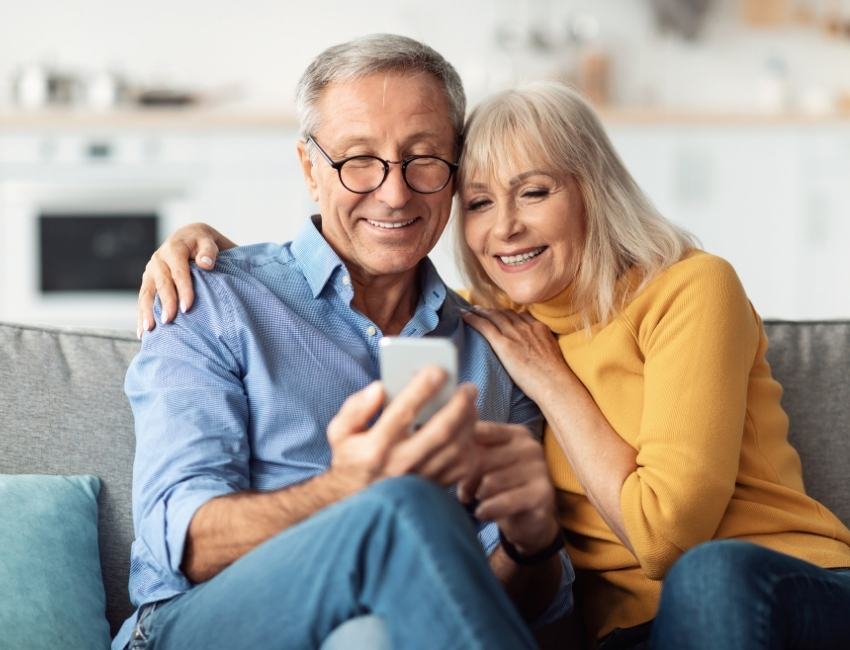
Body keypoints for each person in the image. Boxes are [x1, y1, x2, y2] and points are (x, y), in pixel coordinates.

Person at [144, 80, 850, 650]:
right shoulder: (493, 316)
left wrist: (551, 391)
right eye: (480, 202)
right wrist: (213, 257)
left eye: (535, 192)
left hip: (775, 585)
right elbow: (350, 259)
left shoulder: (664, 294)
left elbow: (662, 543)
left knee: (710, 575)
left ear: (593, 190)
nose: (505, 226)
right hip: (636, 633)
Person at [117, 35, 576, 650]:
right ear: (311, 169)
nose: (394, 192)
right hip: (198, 627)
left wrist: (531, 542)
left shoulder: (493, 349)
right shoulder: (213, 299)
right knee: (404, 507)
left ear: (455, 172)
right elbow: (186, 543)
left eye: (423, 158)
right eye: (359, 159)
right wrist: (346, 491)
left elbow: (491, 603)